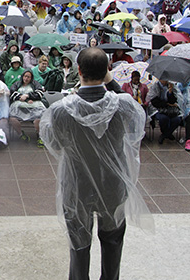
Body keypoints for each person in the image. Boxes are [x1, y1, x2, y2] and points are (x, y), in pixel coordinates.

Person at [40, 47, 150, 280]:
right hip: (112, 185)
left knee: (79, 247)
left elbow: (54, 145)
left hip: (77, 186)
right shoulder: (123, 104)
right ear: (108, 71)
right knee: (112, 241)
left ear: (78, 70)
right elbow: (136, 125)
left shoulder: (61, 110)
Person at [9, 70, 46, 147]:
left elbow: (39, 93)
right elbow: (12, 93)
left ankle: (40, 136)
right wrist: (24, 99)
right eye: (25, 76)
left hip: (34, 107)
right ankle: (21, 134)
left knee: (38, 119)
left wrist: (28, 95)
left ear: (31, 78)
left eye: (28, 77)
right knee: (12, 119)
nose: (26, 78)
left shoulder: (35, 84)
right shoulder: (17, 84)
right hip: (19, 107)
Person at [147, 79, 183, 144]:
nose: (164, 81)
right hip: (158, 109)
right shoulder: (155, 86)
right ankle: (167, 134)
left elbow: (175, 100)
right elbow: (154, 101)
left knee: (177, 120)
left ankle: (165, 135)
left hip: (171, 110)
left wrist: (170, 92)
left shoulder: (172, 86)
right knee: (163, 119)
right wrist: (166, 104)